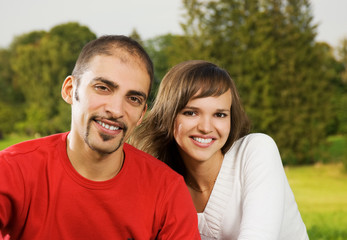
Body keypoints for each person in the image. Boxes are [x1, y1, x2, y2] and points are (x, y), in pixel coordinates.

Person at [0, 36, 200, 240]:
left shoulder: (168, 191)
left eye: (133, 99)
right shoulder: (12, 169)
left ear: (141, 114)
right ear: (70, 90)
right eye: (103, 88)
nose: (115, 110)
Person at [131, 60, 309, 240]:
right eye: (191, 112)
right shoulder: (165, 186)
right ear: (168, 115)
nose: (206, 127)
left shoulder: (257, 150)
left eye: (220, 114)